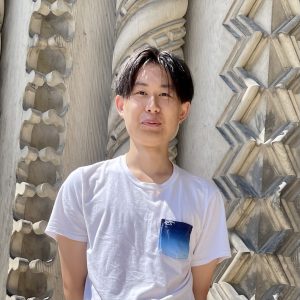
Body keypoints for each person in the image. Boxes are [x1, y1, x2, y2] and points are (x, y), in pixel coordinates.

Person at [45, 46, 231, 300]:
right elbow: (72, 289)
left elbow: (199, 294)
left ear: (183, 111)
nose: (152, 106)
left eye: (165, 95)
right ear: (121, 105)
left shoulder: (204, 198)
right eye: (141, 93)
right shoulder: (83, 186)